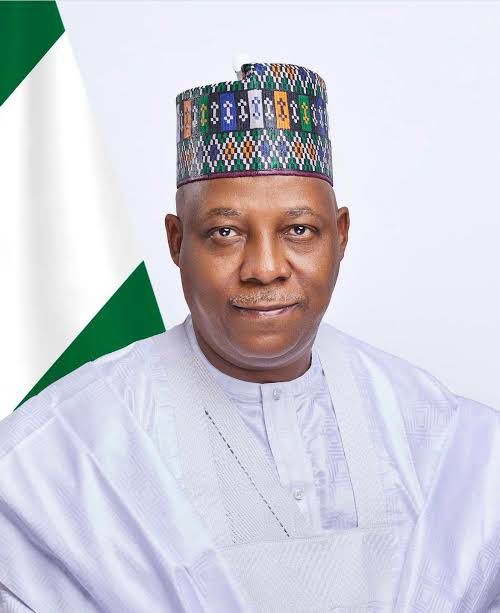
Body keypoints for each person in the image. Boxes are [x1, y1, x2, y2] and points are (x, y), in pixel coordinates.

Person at [0, 62, 499, 613]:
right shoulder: (55, 455)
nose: (264, 268)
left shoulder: (445, 436)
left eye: (299, 230)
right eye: (226, 233)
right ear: (176, 241)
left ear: (340, 236)